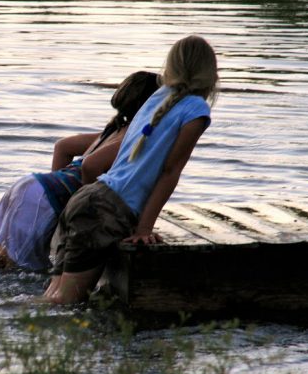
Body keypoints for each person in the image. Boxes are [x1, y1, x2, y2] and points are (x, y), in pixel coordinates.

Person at [0, 71, 161, 271]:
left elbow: (63, 147)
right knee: (3, 271)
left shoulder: (113, 130)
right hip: (41, 199)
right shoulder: (134, 138)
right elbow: (90, 167)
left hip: (30, 187)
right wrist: (72, 210)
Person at [43, 35, 219, 304]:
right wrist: (144, 228)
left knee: (52, 299)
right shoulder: (196, 110)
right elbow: (170, 172)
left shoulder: (158, 96)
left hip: (87, 199)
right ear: (209, 72)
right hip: (106, 212)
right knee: (63, 305)